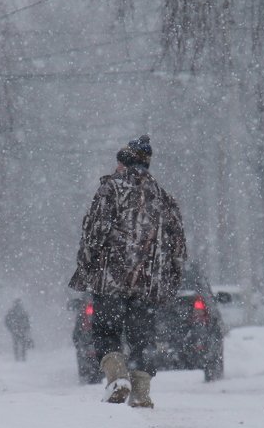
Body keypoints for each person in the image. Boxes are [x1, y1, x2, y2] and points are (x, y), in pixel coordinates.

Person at [68, 135, 187, 408]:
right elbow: (178, 245)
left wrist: (86, 264)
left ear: (125, 163)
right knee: (142, 337)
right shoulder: (164, 197)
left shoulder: (111, 189)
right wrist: (170, 278)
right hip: (149, 283)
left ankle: (117, 376)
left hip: (111, 277)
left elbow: (94, 233)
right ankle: (141, 392)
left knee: (106, 329)